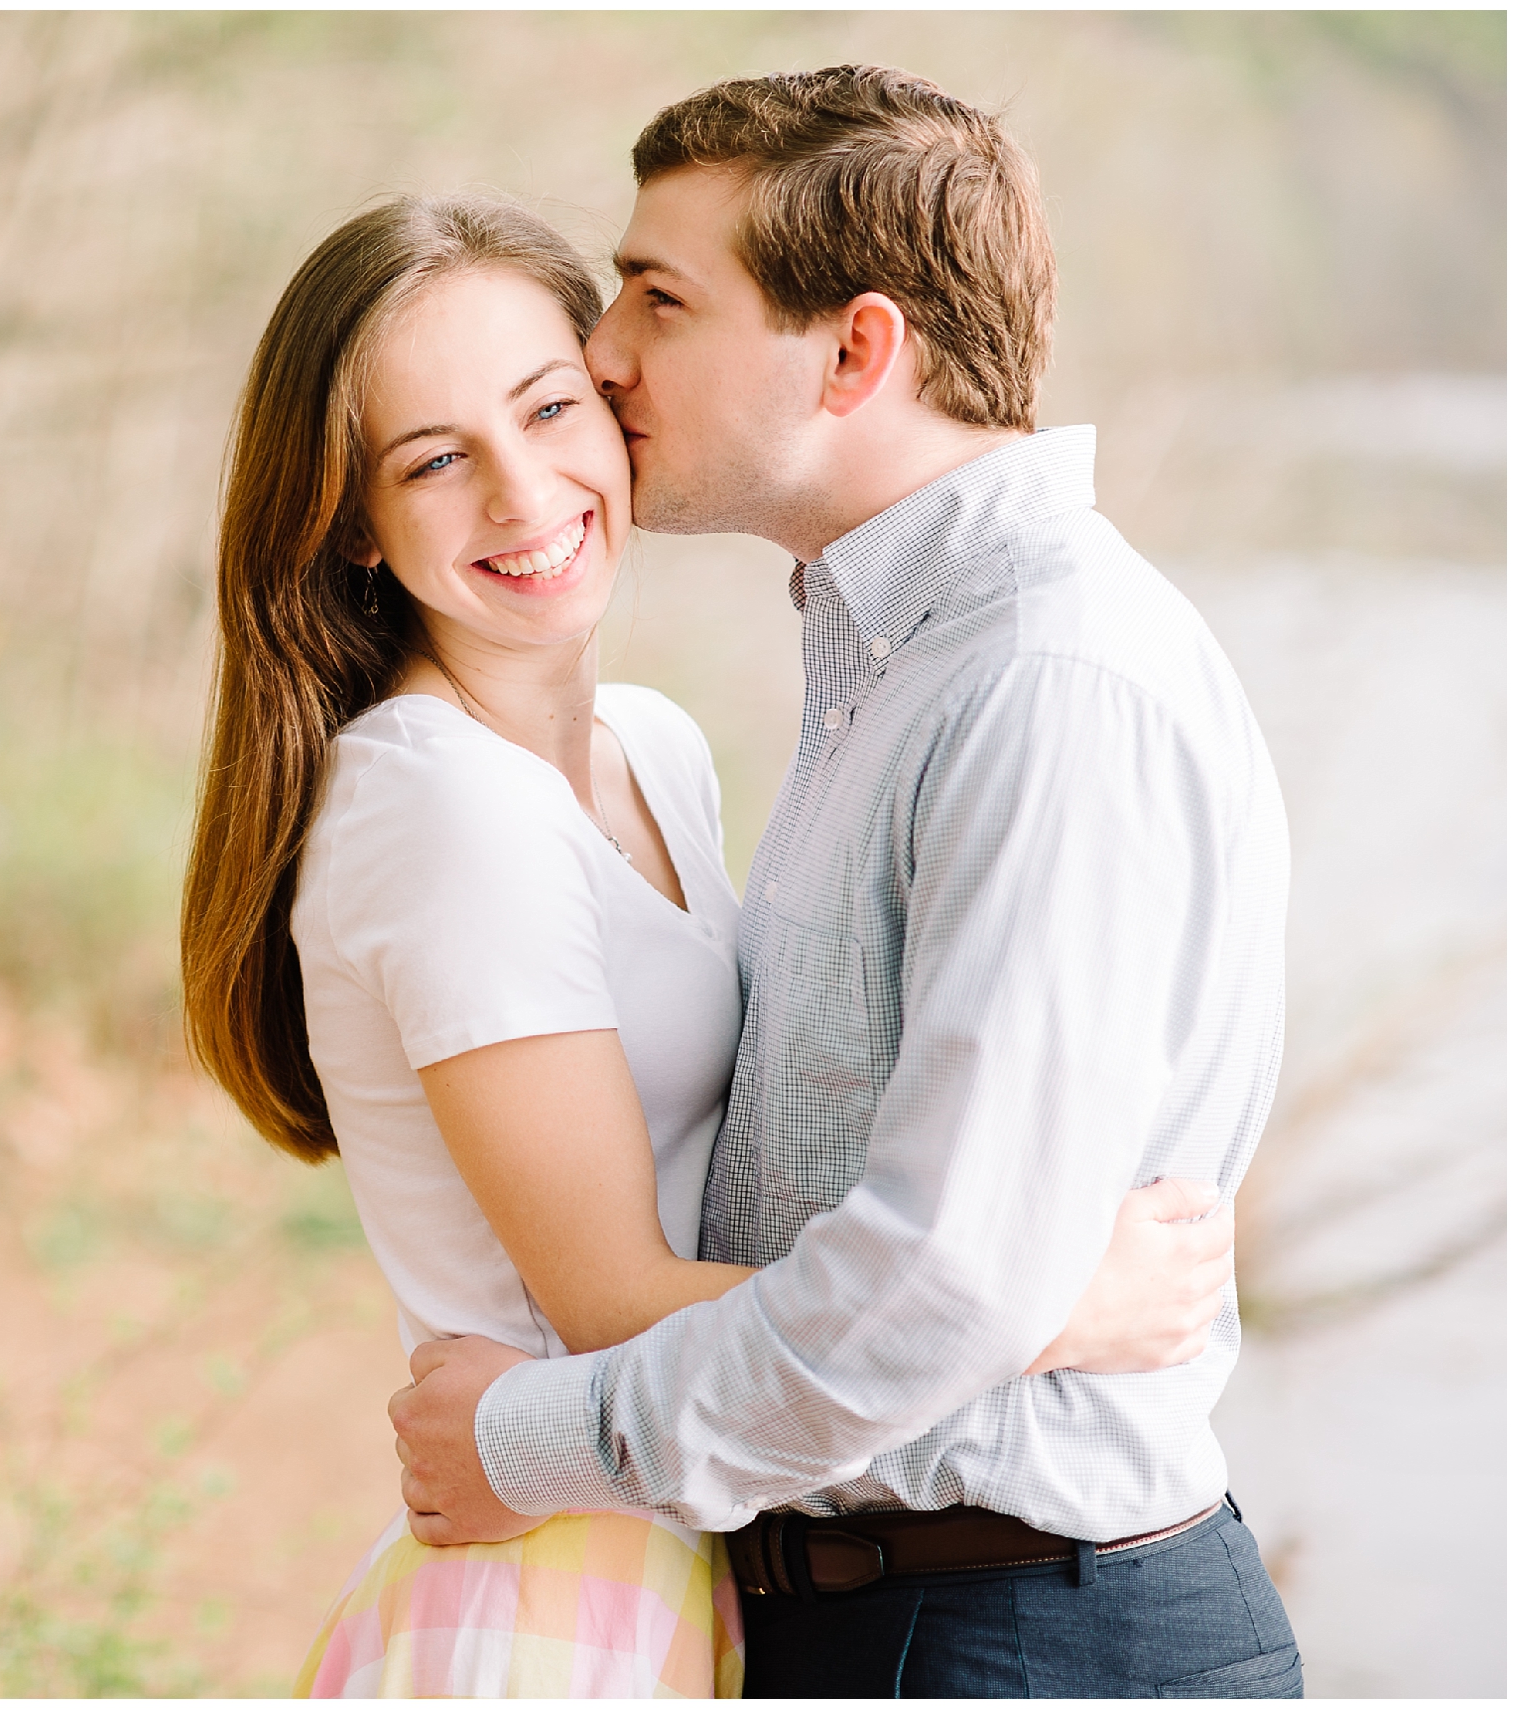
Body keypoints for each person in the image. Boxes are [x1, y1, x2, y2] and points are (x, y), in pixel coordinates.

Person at [181, 184, 1235, 1698]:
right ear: (350, 517)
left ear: (616, 402)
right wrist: (1040, 1308)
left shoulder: (650, 747)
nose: (523, 492)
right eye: (433, 461)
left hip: (688, 1530)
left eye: (550, 410)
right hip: (556, 1572)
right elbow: (609, 1292)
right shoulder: (438, 805)